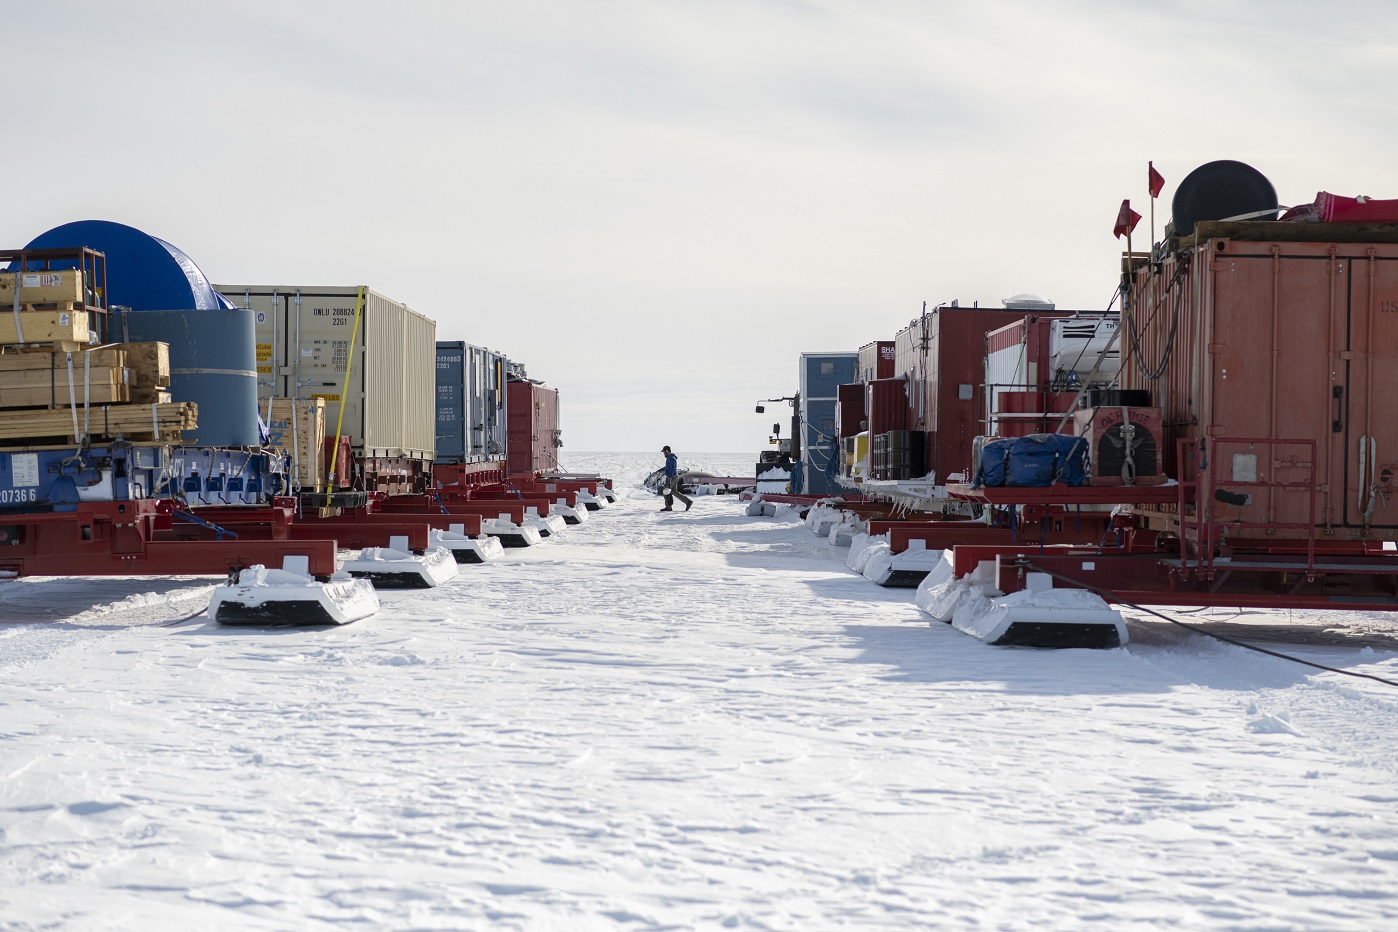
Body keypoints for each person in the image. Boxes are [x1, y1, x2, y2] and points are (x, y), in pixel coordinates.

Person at [659, 445, 692, 512]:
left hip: (672, 477)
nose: (664, 453)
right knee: (674, 491)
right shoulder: (670, 458)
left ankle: (668, 507)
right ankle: (688, 502)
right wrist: (659, 470)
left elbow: (673, 468)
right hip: (674, 477)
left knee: (666, 490)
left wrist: (670, 477)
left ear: (667, 451)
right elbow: (667, 467)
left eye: (664, 452)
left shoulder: (671, 458)